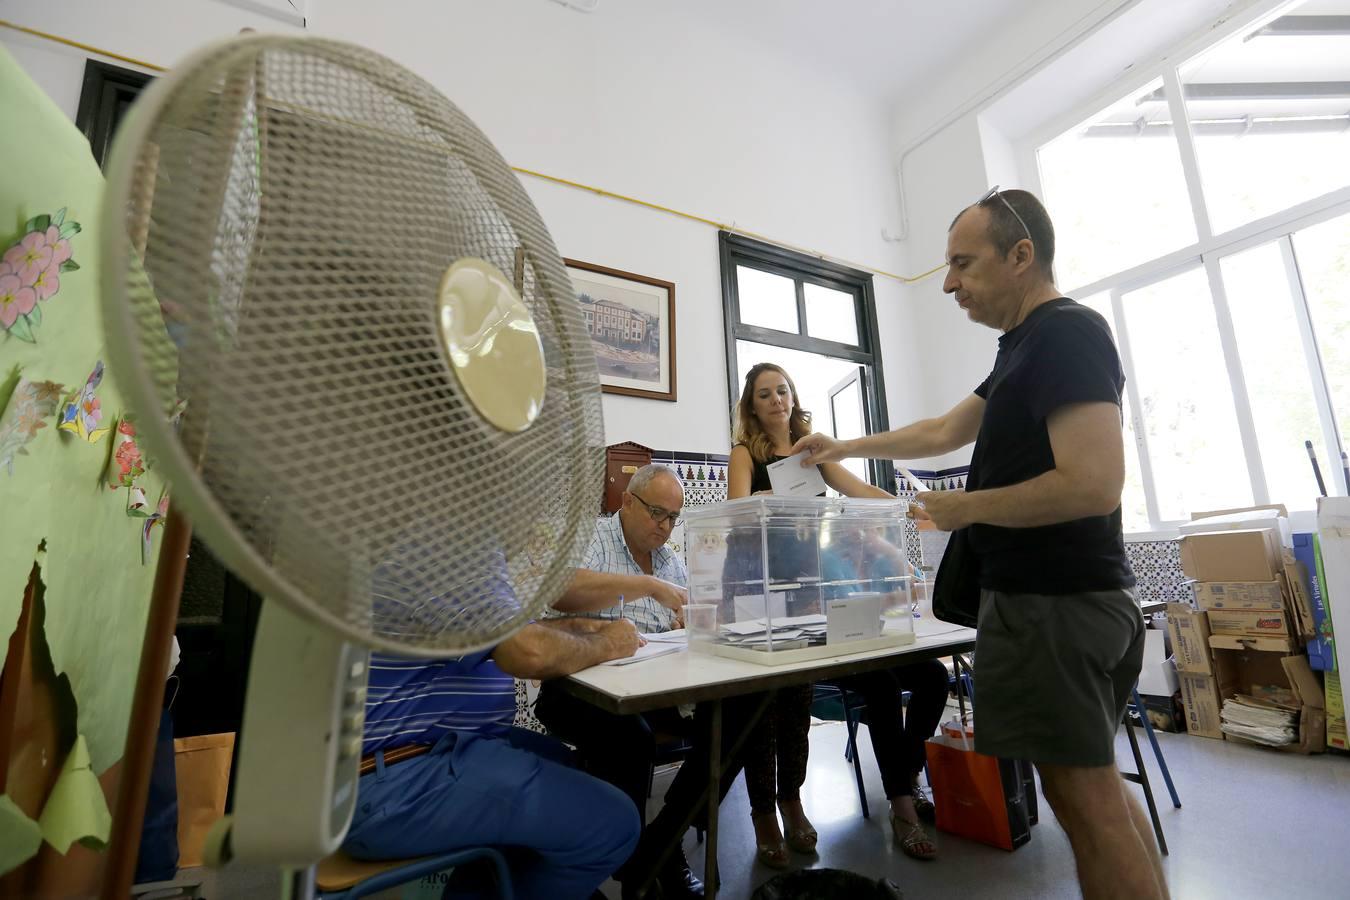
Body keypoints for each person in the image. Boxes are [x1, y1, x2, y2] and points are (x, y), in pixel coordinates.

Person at [791, 189, 1162, 899]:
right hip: (1061, 604)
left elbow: (1094, 483)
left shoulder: (1066, 333)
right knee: (1098, 793)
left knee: (1085, 807)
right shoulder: (1024, 347)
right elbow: (940, 432)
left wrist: (964, 508)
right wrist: (842, 444)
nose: (949, 282)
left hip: (1055, 606)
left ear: (1021, 256)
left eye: (963, 263)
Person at [727, 363, 949, 864]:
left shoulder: (812, 452)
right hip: (758, 590)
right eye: (765, 394)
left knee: (814, 700)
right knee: (765, 708)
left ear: (792, 397)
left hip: (809, 589)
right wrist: (765, 499)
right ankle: (765, 812)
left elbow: (860, 491)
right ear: (753, 406)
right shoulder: (745, 453)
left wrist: (912, 507)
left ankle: (817, 797)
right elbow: (734, 513)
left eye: (782, 390)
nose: (777, 400)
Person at [346, 549, 644, 900]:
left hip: (410, 757)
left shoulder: (423, 539)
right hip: (396, 780)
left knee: (574, 769)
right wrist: (609, 643)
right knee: (615, 823)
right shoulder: (452, 547)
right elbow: (529, 652)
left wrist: (582, 628)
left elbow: (506, 633)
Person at [536, 464, 758, 900]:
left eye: (673, 517)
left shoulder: (671, 560)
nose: (665, 526)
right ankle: (637, 867)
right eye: (657, 513)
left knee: (743, 715)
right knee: (629, 739)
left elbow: (682, 627)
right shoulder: (592, 537)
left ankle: (660, 842)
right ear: (627, 502)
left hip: (655, 690)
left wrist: (686, 623)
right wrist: (648, 586)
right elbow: (562, 590)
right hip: (578, 689)